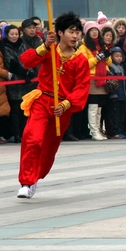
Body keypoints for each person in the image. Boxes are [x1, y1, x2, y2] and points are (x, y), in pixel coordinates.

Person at [15, 11, 90, 199]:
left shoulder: (80, 60)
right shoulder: (49, 49)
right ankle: (26, 181)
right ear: (60, 33)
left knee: (48, 148)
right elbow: (26, 61)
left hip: (62, 108)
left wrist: (66, 104)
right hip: (42, 100)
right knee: (32, 138)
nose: (75, 36)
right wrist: (44, 47)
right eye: (71, 32)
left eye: (77, 32)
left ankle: (35, 178)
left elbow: (81, 87)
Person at [78, 22, 111, 141]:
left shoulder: (102, 45)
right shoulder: (83, 46)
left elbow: (109, 63)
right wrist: (97, 58)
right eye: (91, 30)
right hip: (91, 78)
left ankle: (98, 129)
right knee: (93, 106)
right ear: (87, 32)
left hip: (102, 78)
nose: (94, 32)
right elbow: (83, 64)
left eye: (96, 30)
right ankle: (93, 131)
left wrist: (106, 57)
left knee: (100, 107)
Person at [104, 47, 126, 139]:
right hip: (115, 95)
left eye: (120, 56)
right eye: (116, 56)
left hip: (123, 95)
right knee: (114, 115)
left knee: (122, 114)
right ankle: (114, 132)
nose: (119, 58)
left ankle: (122, 130)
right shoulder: (111, 67)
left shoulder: (121, 67)